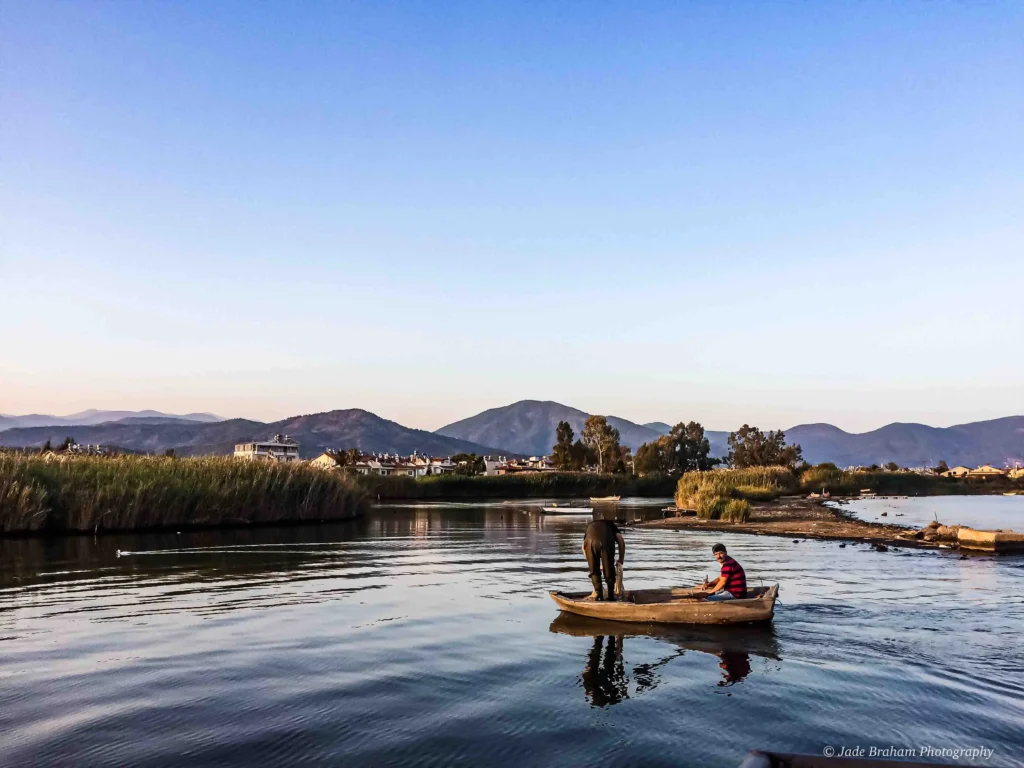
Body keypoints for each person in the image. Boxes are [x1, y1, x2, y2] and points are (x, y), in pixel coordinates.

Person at [582, 519, 625, 601]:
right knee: (609, 570)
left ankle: (599, 596)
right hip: (606, 541)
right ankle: (611, 596)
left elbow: (583, 546)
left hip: (589, 542)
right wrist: (621, 559)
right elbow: (621, 541)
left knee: (594, 571)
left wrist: (589, 559)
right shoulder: (611, 525)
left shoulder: (590, 525)